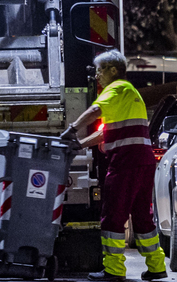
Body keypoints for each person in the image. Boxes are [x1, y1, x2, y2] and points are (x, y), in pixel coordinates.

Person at [60, 49, 167, 281]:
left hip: (125, 163)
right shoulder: (130, 94)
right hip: (143, 162)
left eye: (100, 71)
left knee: (112, 216)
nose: (97, 76)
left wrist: (71, 129)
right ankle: (157, 267)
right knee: (143, 217)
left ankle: (114, 270)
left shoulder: (117, 89)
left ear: (113, 70)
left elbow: (94, 110)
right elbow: (105, 134)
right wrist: (79, 145)